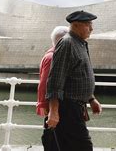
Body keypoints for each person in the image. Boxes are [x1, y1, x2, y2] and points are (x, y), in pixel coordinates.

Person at [45, 10, 102, 151]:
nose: (92, 28)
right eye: (88, 25)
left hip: (77, 107)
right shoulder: (67, 44)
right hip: (68, 108)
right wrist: (53, 111)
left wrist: (91, 99)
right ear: (76, 25)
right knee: (83, 147)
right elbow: (55, 80)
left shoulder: (81, 43)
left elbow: (80, 74)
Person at [36, 26, 69, 117]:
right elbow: (45, 83)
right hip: (56, 106)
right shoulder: (52, 58)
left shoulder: (52, 55)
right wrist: (45, 106)